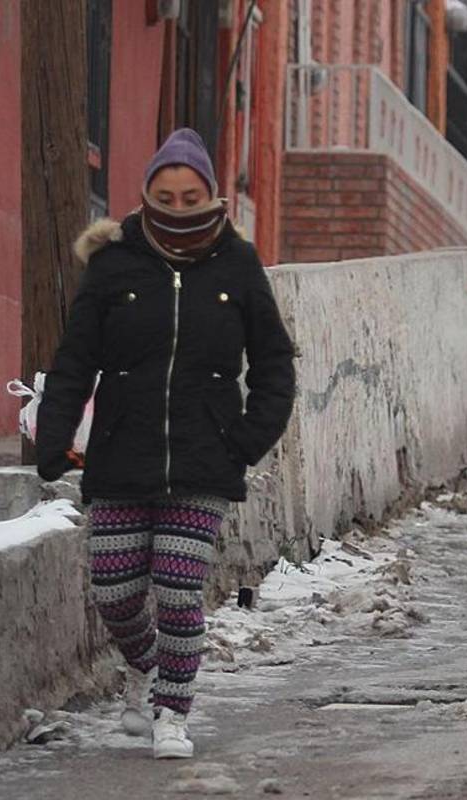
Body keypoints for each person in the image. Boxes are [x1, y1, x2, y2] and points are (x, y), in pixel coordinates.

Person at [36, 128, 296, 759]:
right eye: (166, 197)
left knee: (179, 591)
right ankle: (147, 665)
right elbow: (75, 361)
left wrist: (243, 442)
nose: (179, 207)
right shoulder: (113, 264)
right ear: (147, 195)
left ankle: (172, 712)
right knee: (114, 591)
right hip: (121, 456)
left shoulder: (238, 265)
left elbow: (274, 366)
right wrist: (54, 436)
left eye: (190, 197)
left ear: (210, 195)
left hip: (205, 460)